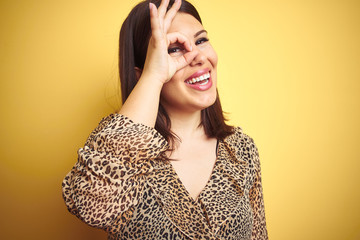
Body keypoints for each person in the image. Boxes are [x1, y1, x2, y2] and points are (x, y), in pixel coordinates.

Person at [62, 0, 268, 239]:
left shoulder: (241, 149)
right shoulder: (124, 151)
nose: (198, 56)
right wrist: (154, 76)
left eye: (201, 40)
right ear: (144, 72)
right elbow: (93, 205)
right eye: (174, 48)